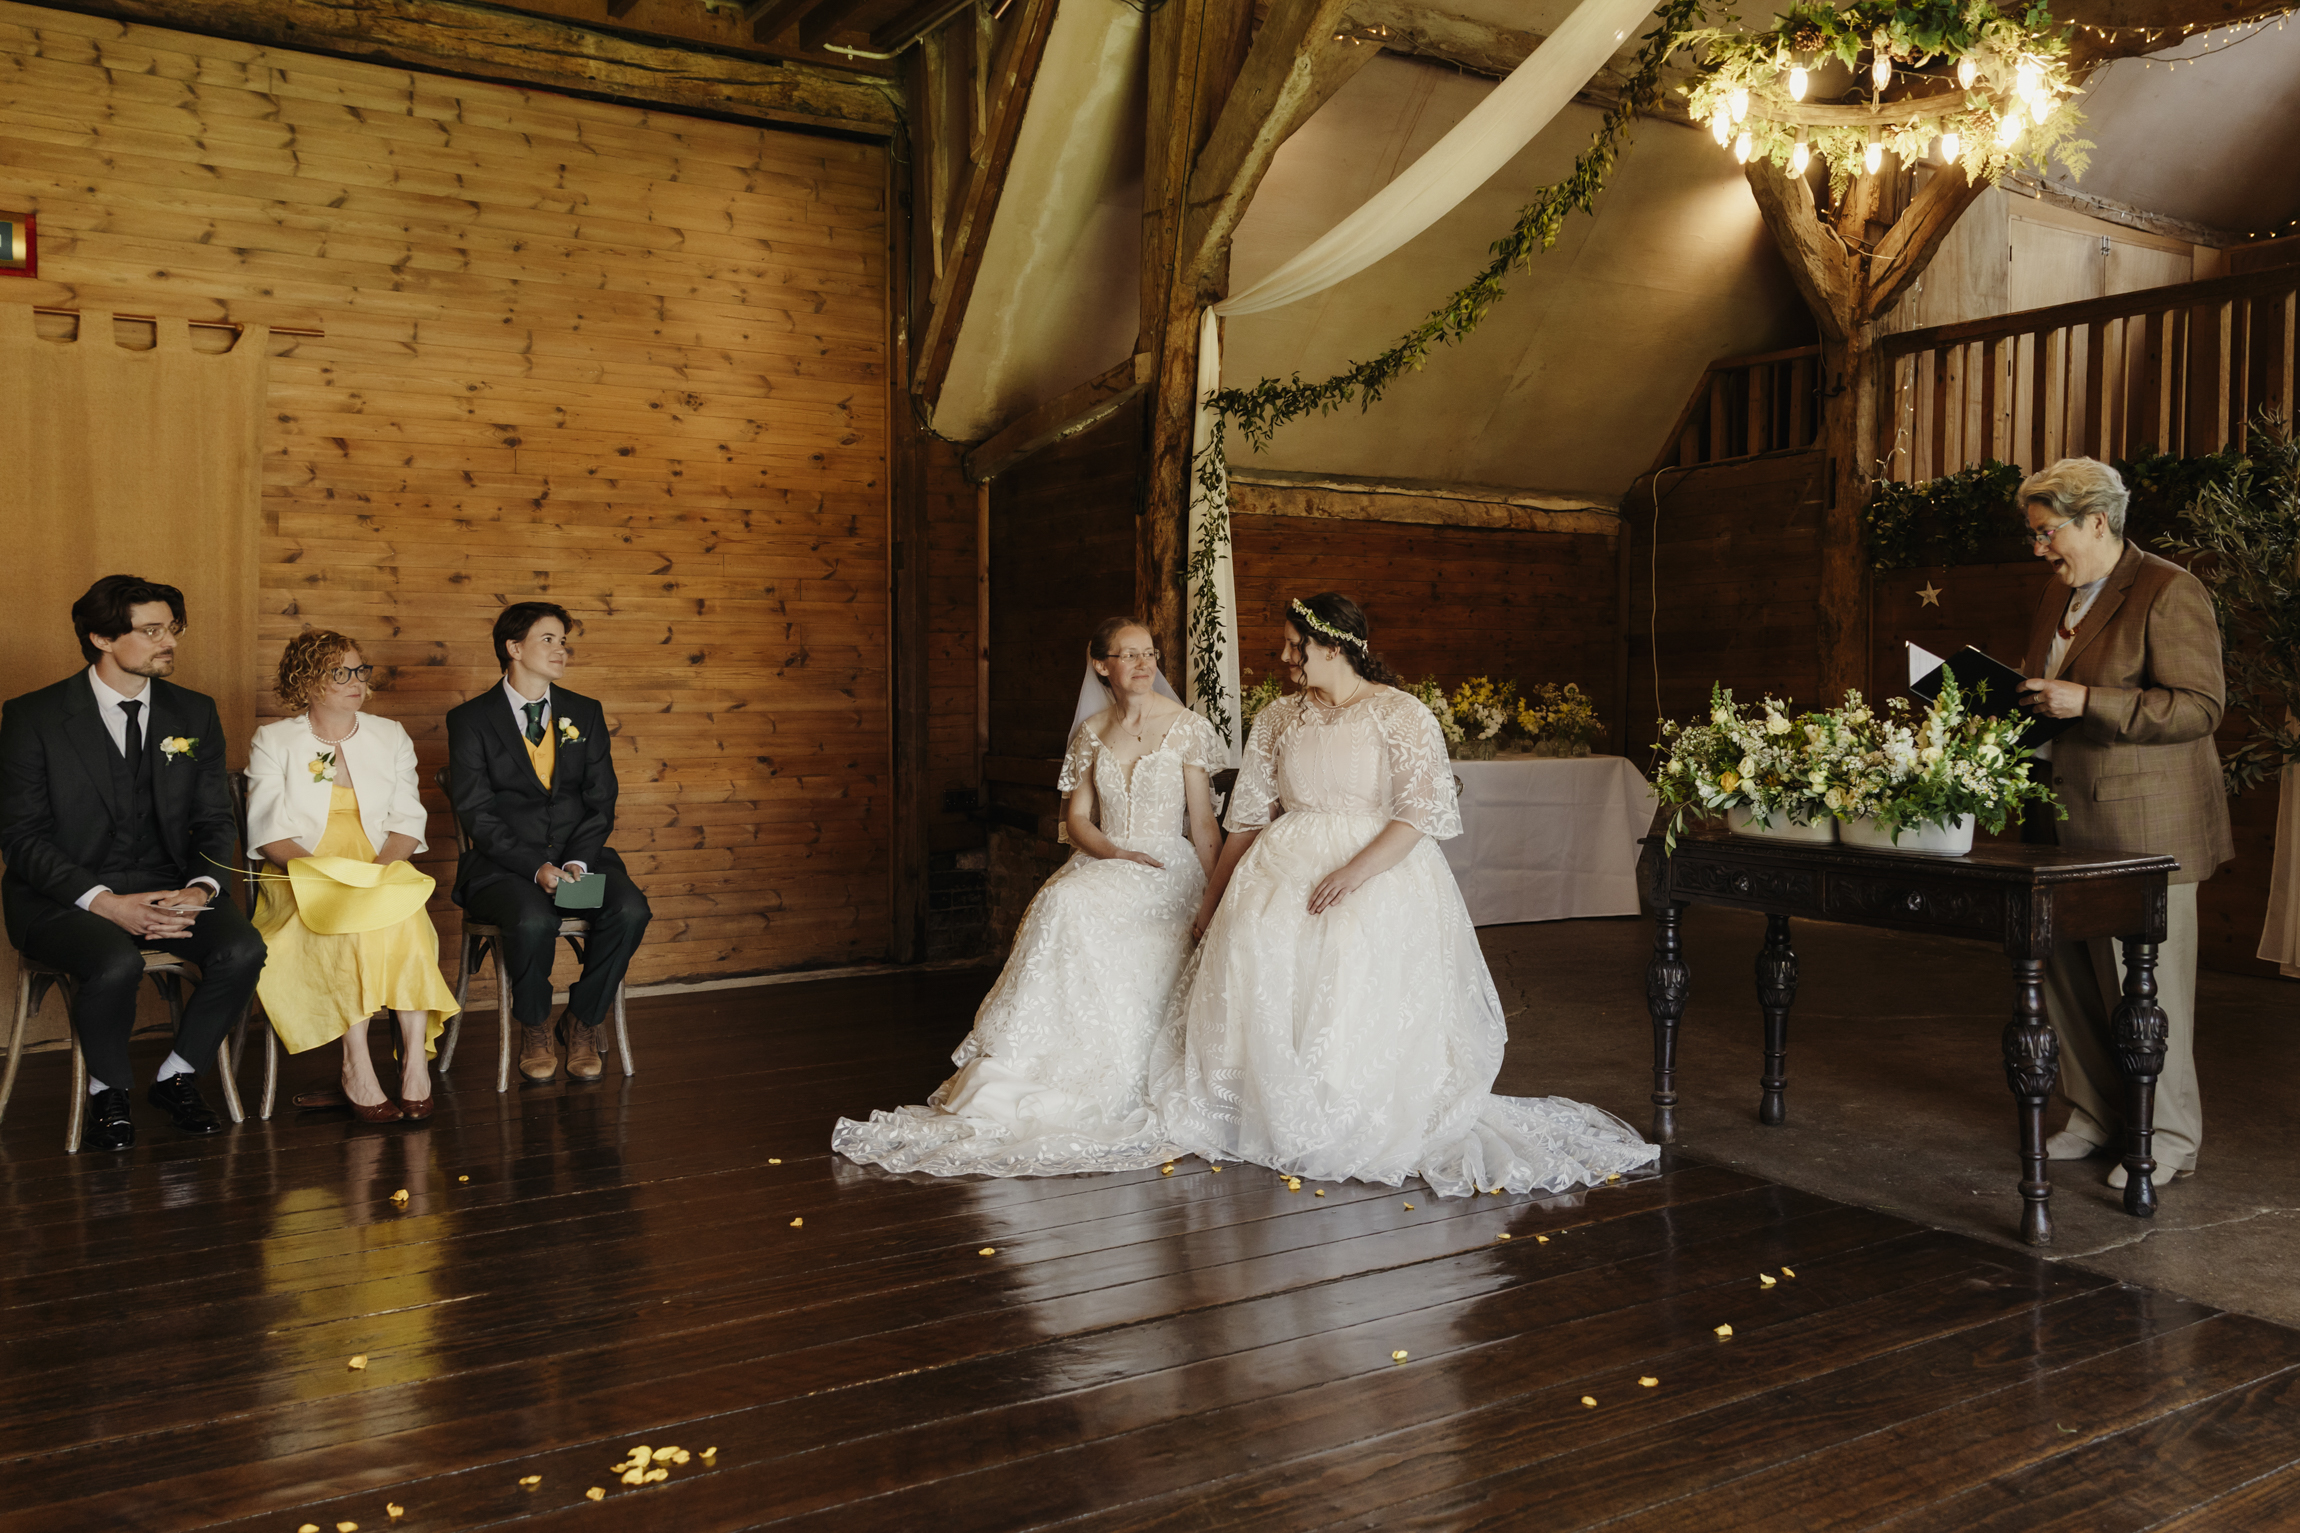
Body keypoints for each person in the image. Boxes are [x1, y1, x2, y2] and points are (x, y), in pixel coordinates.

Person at [1151, 593, 1658, 1198]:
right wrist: (1212, 905)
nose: (1284, 656)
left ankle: (1348, 1107)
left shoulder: (1400, 713)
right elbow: (1246, 821)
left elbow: (1420, 813)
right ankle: (1268, 1110)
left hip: (1379, 869)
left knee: (1352, 978)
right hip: (1280, 867)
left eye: (1295, 645)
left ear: (1333, 647)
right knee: (1261, 967)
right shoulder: (1277, 718)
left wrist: (1353, 874)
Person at [835, 618, 1223, 1176]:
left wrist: (1215, 898)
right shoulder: (1091, 732)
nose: (1144, 664)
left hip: (1168, 867)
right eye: (1129, 654)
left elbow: (1205, 825)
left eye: (1150, 654)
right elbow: (1077, 820)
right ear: (1101, 665)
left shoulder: (1187, 728)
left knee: (1078, 908)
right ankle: (1037, 1068)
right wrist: (1112, 854)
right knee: (1061, 904)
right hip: (1109, 859)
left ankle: (1109, 1072)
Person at [2016, 458, 2233, 1190]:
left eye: (2048, 533)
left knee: (2150, 992)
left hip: (2145, 829)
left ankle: (2168, 1135)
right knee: (2071, 978)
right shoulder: (2058, 592)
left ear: (2096, 521)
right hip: (2061, 820)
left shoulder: (2170, 589)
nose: (2041, 549)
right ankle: (2096, 1113)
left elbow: (2201, 707)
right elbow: (2047, 689)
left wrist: (2089, 703)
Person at [0, 575, 266, 1151]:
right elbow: (21, 837)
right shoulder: (33, 717)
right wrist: (104, 903)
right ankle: (107, 1092)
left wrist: (200, 890)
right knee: (116, 961)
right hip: (62, 900)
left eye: (172, 628)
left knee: (242, 948)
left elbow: (215, 819)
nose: (168, 641)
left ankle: (177, 1076)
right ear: (101, 637)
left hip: (168, 887)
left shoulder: (194, 713)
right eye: (151, 631)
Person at [247, 630, 461, 1122]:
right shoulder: (275, 739)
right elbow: (270, 830)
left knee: (402, 923)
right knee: (347, 927)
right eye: (337, 672)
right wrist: (324, 877)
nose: (354, 682)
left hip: (380, 861)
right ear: (306, 681)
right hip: (302, 870)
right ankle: (356, 1065)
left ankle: (412, 1065)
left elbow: (407, 819)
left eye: (358, 670)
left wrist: (381, 873)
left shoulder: (390, 734)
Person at [445, 603, 650, 1082]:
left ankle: (582, 1020)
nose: (562, 649)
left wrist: (578, 861)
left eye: (563, 640)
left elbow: (602, 801)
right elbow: (476, 811)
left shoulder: (585, 712)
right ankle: (534, 1024)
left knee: (630, 909)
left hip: (580, 863)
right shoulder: (470, 720)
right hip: (505, 869)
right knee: (532, 917)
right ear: (514, 649)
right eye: (549, 640)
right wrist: (536, 867)